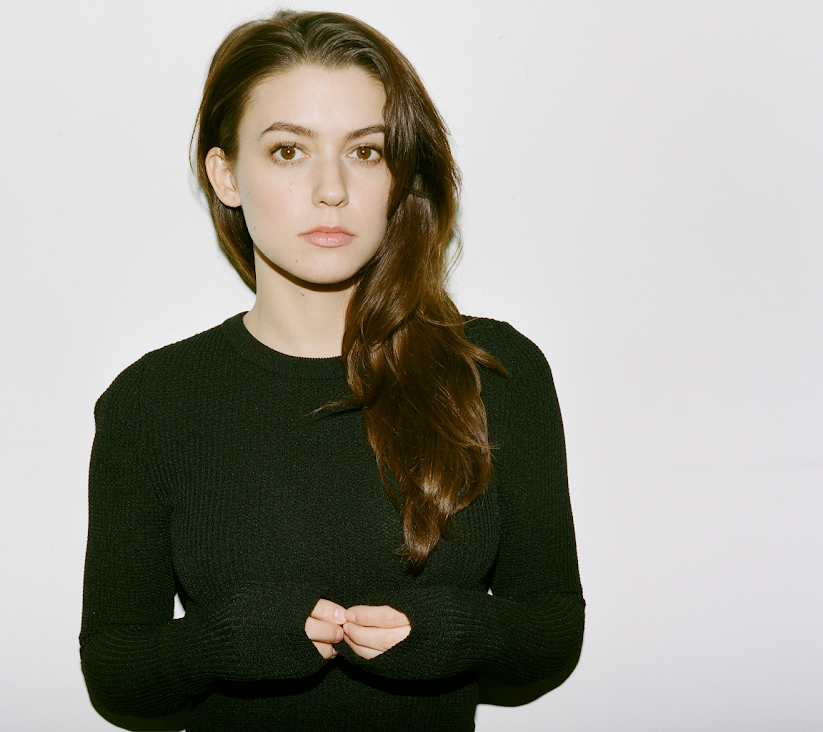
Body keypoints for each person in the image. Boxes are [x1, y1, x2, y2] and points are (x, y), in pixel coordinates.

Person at [79, 10, 584, 731]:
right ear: (226, 174)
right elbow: (118, 671)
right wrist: (221, 643)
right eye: (288, 151)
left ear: (400, 174)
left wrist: (459, 631)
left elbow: (552, 628)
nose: (332, 190)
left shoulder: (495, 373)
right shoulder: (153, 402)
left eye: (366, 152)